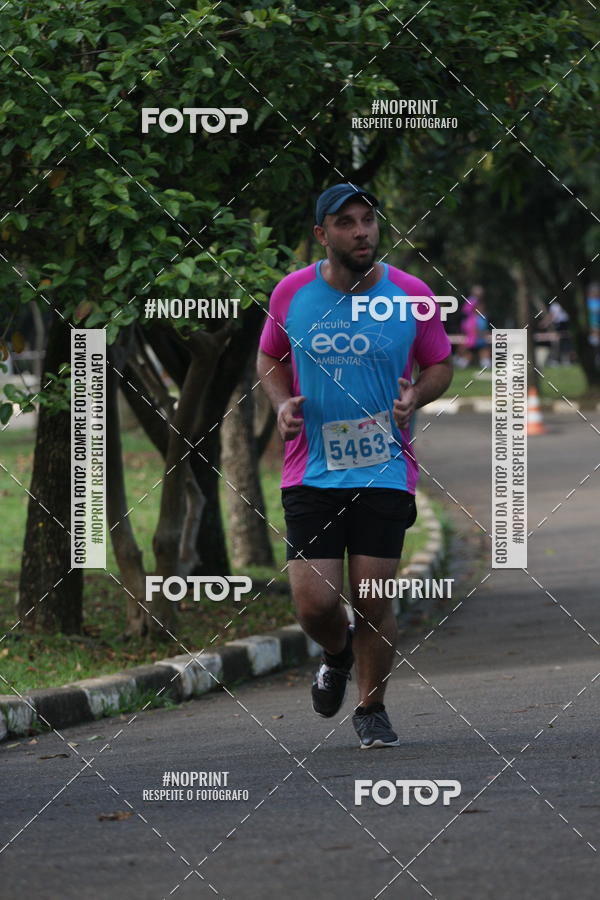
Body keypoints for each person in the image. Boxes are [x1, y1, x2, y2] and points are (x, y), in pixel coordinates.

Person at [256, 183, 453, 748]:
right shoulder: (292, 293)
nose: (362, 231)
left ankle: (371, 709)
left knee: (371, 596)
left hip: (384, 468)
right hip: (311, 469)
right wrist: (280, 403)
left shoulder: (412, 294)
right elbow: (269, 355)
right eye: (346, 222)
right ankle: (337, 653)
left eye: (368, 220)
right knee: (315, 604)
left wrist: (416, 395)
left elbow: (439, 363)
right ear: (323, 234)